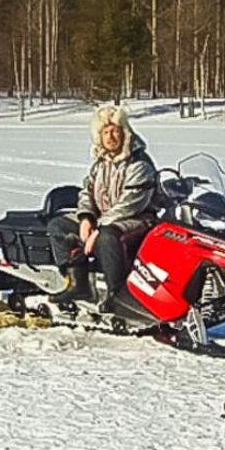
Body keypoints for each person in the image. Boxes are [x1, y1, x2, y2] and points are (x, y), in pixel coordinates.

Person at [49, 104, 158, 309]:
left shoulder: (139, 163)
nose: (110, 136)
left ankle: (117, 293)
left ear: (124, 132)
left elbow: (130, 203)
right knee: (58, 226)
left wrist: (98, 229)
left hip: (138, 218)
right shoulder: (101, 163)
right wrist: (86, 218)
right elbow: (86, 192)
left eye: (115, 131)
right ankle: (78, 282)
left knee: (108, 237)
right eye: (105, 132)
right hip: (102, 218)